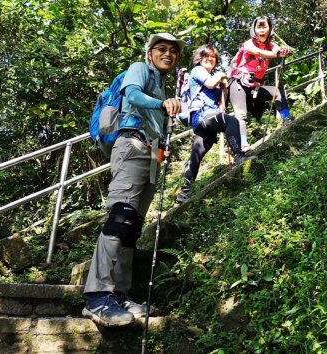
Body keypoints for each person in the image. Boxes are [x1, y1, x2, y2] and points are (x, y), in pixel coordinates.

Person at [82, 33, 183, 327]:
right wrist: (162, 105)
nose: (168, 54)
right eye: (161, 49)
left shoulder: (163, 86)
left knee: (132, 226)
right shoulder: (140, 68)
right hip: (132, 146)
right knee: (120, 218)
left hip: (150, 154)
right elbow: (133, 95)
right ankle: (98, 297)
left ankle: (120, 294)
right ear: (150, 53)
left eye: (173, 51)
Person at [176, 44, 254, 204]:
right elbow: (211, 83)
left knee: (196, 155)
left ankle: (184, 192)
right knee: (231, 121)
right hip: (203, 115)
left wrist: (224, 88)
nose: (210, 59)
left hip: (204, 121)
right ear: (200, 58)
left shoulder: (210, 75)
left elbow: (220, 101)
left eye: (213, 57)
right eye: (207, 56)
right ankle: (239, 156)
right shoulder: (198, 70)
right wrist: (222, 75)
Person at [229, 16, 292, 151]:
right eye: (259, 27)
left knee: (277, 91)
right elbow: (258, 52)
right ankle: (243, 145)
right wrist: (277, 55)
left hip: (254, 86)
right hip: (238, 83)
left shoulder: (271, 45)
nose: (262, 30)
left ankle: (287, 120)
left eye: (265, 27)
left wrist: (284, 51)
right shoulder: (248, 44)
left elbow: (277, 51)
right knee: (241, 114)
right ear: (254, 29)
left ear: (270, 29)